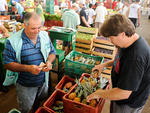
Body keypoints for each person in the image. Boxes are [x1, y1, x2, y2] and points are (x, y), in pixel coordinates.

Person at [86, 14, 150, 113]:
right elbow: (120, 59)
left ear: (122, 34)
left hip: (128, 103)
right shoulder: (128, 42)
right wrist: (103, 65)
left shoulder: (135, 57)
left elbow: (123, 93)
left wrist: (99, 93)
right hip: (119, 92)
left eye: (111, 38)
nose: (110, 41)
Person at [3, 12, 56, 113]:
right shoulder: (13, 41)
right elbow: (7, 63)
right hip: (25, 85)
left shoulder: (44, 35)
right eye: (33, 28)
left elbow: (52, 52)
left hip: (43, 80)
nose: (37, 31)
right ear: (24, 25)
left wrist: (49, 61)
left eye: (39, 27)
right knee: (26, 108)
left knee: (39, 101)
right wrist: (28, 68)